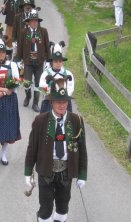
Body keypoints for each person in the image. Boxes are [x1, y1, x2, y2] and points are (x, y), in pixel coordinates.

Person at [24, 78, 87, 222]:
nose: (62, 105)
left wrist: (82, 174)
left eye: (64, 101)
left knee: (63, 207)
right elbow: (32, 148)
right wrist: (28, 172)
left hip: (66, 171)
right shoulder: (40, 120)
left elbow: (82, 149)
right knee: (45, 209)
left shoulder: (77, 120)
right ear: (51, 102)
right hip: (46, 170)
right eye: (58, 102)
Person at [15, 9, 50, 112]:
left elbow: (47, 47)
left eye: (36, 20)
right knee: (26, 83)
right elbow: (20, 46)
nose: (34, 22)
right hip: (27, 61)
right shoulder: (23, 32)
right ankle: (28, 96)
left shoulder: (43, 31)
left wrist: (48, 60)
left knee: (38, 83)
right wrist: (18, 59)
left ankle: (35, 103)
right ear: (28, 22)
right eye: (32, 20)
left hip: (39, 62)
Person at [39, 41, 74, 113]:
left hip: (64, 102)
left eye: (60, 61)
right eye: (55, 61)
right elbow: (41, 87)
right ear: (52, 62)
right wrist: (52, 96)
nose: (58, 63)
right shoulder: (45, 74)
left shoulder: (68, 73)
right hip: (49, 102)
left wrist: (63, 97)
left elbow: (70, 87)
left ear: (62, 62)